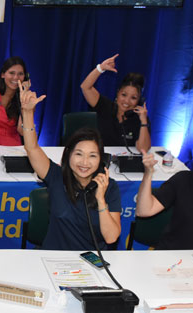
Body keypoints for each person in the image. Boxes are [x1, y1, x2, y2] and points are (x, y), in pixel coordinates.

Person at [21, 83, 122, 250]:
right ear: (68, 155)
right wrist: (27, 112)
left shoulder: (109, 187)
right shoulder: (56, 175)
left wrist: (100, 199)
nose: (84, 162)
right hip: (54, 259)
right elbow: (32, 148)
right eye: (79, 154)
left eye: (92, 156)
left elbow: (111, 238)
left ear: (101, 160)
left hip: (91, 262)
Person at [80, 54, 151, 151]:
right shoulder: (105, 106)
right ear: (117, 94)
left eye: (133, 98)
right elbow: (85, 87)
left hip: (126, 162)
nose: (126, 101)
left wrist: (143, 122)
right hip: (101, 159)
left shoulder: (139, 117)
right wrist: (100, 68)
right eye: (124, 95)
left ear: (139, 100)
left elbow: (143, 149)